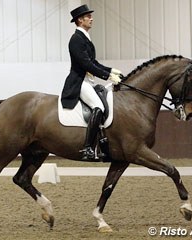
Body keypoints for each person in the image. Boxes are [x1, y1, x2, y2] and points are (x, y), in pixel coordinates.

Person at [61, 4, 122, 160]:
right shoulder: (76, 39)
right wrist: (108, 76)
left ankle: (101, 142)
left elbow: (93, 62)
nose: (91, 18)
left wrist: (111, 70)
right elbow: (86, 64)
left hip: (88, 81)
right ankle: (87, 148)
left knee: (104, 103)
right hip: (79, 81)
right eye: (88, 17)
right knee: (99, 107)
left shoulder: (84, 38)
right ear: (80, 20)